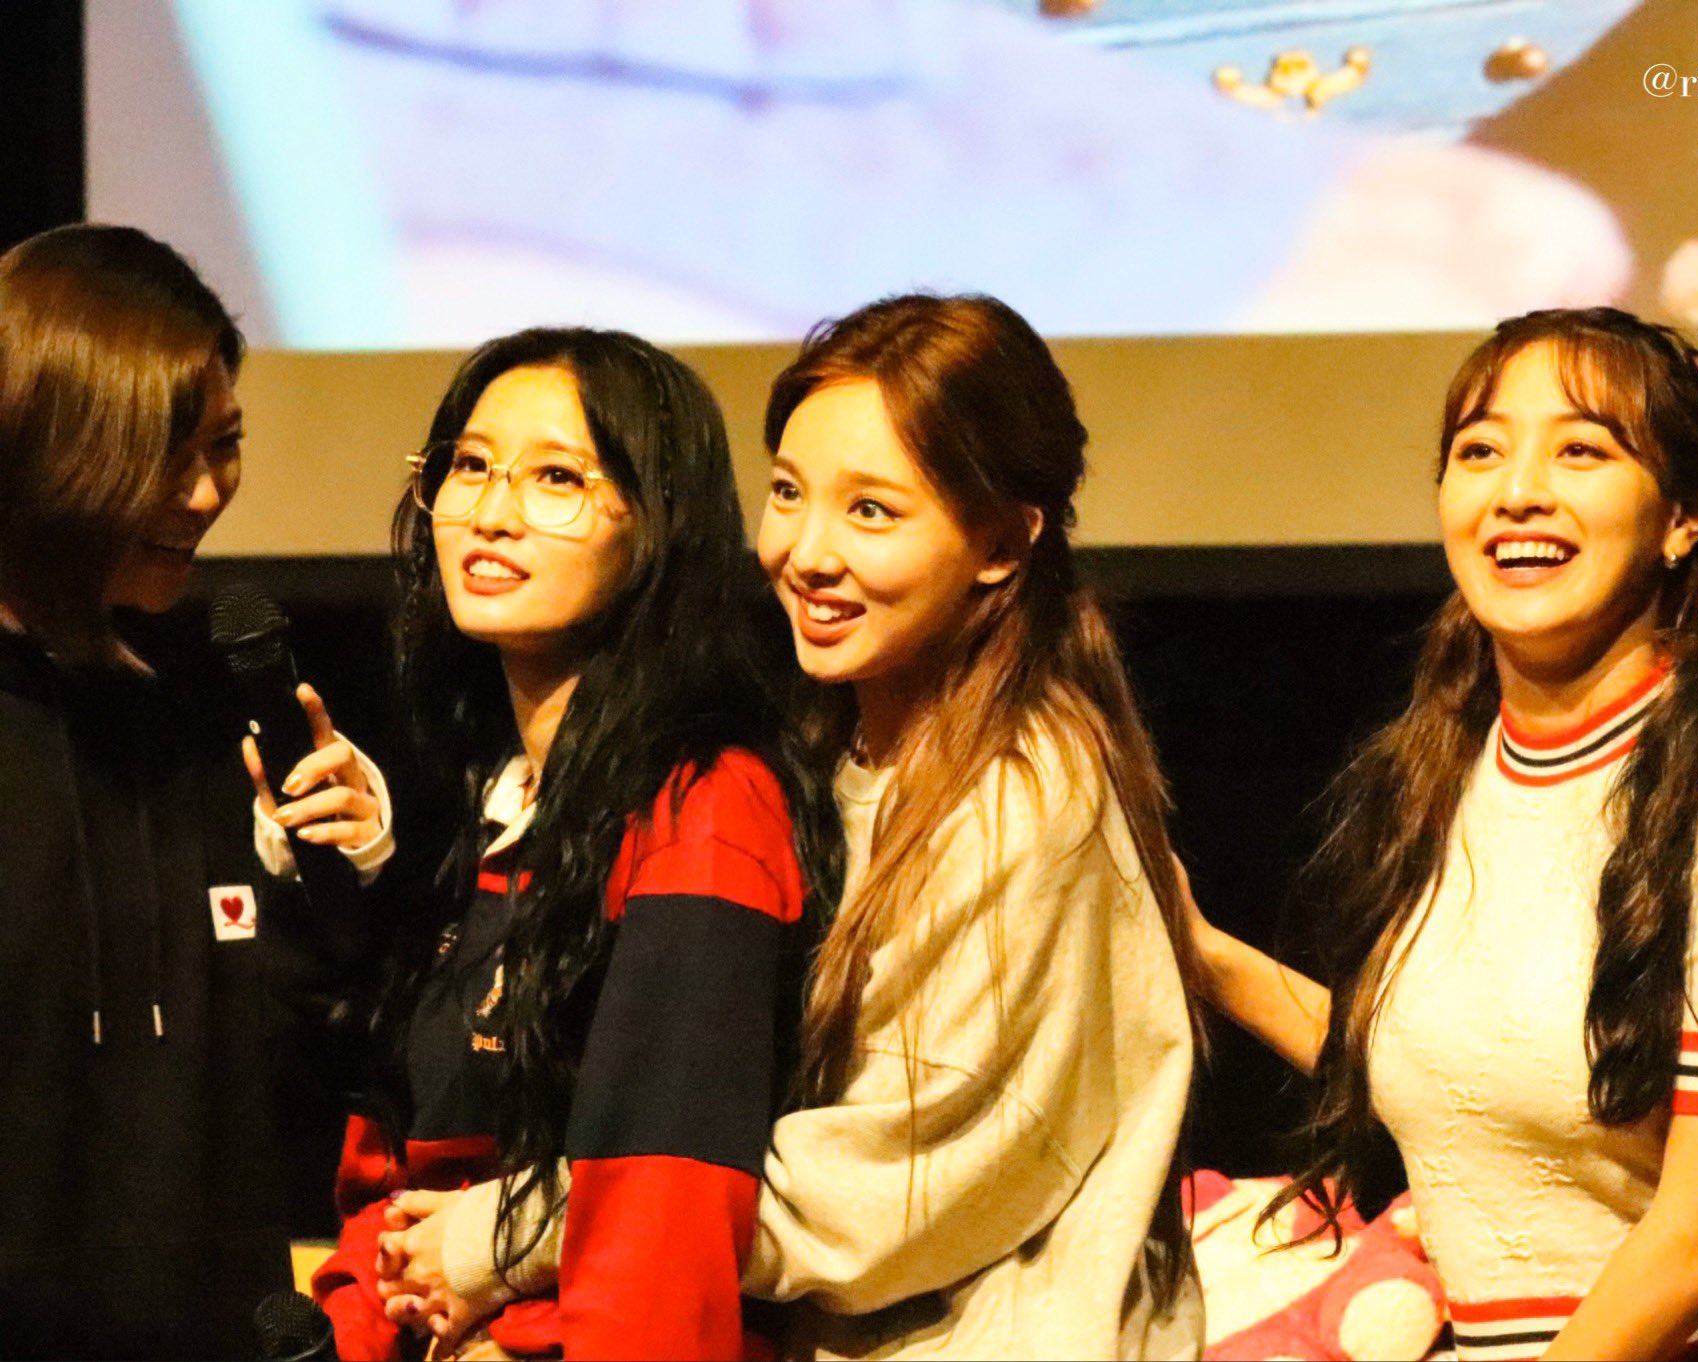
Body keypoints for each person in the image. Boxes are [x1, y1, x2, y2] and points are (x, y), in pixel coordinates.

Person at [394, 293, 1209, 1358]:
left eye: (871, 511)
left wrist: (516, 1234)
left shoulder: (1021, 794)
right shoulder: (824, 747)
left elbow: (891, 1189)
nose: (807, 552)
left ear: (1004, 544)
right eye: (788, 493)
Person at [1193, 307, 1698, 1361]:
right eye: (1481, 451)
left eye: (1580, 451)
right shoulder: (1453, 765)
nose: (1517, 490)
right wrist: (1200, 952)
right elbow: (1459, 1073)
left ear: (1682, 516)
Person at [312, 327, 828, 1361]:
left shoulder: (702, 807)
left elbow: (663, 1225)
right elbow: (407, 1179)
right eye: (469, 466)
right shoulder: (492, 804)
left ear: (657, 524)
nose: (492, 514)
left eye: (557, 478)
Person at [0, 223, 387, 1358]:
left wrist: (336, 876)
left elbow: (268, 1065)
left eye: (225, 446)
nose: (207, 492)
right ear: (47, 443)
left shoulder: (189, 730)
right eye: (166, 456)